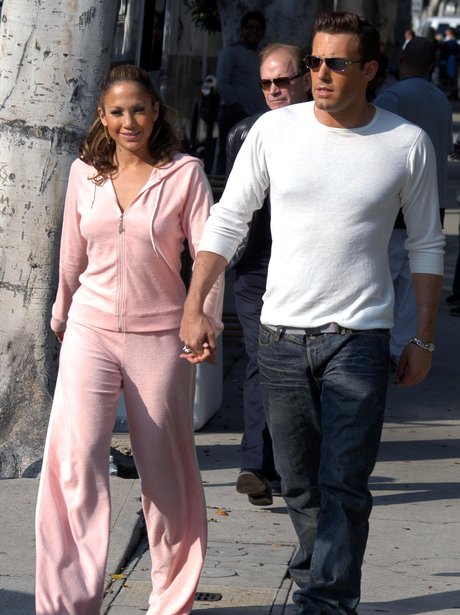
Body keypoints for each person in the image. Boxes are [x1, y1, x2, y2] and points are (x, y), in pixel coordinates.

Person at [179, 11, 444, 615]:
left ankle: (327, 600)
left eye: (336, 64)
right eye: (315, 63)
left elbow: (427, 244)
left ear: (370, 70)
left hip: (360, 336)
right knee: (298, 483)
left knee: (344, 484)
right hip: (278, 335)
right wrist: (197, 305)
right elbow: (228, 219)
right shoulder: (275, 132)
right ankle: (314, 571)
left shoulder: (405, 144)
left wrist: (422, 337)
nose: (320, 75)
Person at [35, 64, 223, 615]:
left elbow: (208, 256)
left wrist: (204, 320)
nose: (128, 121)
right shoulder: (83, 174)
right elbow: (72, 253)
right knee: (74, 462)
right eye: (116, 111)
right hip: (89, 329)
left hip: (161, 337)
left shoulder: (185, 174)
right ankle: (67, 603)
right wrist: (62, 314)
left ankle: (171, 600)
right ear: (102, 116)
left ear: (156, 110)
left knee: (164, 470)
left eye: (138, 109)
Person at [227, 43, 310, 506]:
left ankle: (284, 465)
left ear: (304, 79)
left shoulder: (329, 131)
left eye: (283, 80)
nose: (275, 90)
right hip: (257, 266)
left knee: (298, 369)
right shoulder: (245, 133)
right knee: (261, 359)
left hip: (308, 268)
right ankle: (254, 465)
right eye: (266, 82)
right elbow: (229, 210)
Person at [374, 36, 452, 365]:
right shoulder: (441, 99)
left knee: (384, 279)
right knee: (410, 283)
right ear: (432, 66)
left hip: (398, 205)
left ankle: (376, 348)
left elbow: (376, 150)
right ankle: (399, 349)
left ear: (400, 59)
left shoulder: (391, 97)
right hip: (433, 202)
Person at [214, 10, 267, 174]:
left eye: (258, 29)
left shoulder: (263, 56)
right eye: (249, 27)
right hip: (233, 117)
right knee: (228, 160)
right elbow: (221, 83)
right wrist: (236, 105)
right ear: (242, 30)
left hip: (256, 117)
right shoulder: (230, 52)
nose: (254, 32)